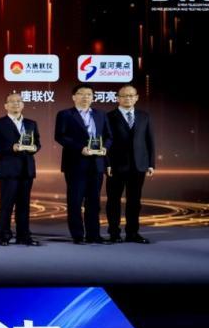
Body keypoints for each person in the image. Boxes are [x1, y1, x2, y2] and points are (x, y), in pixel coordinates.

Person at [54, 82, 113, 244]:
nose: (85, 97)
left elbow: (109, 136)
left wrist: (105, 148)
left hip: (97, 163)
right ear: (74, 97)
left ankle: (94, 235)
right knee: (75, 201)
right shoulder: (65, 114)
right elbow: (60, 136)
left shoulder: (101, 114)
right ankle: (78, 235)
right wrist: (80, 148)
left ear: (93, 97)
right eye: (81, 94)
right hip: (75, 163)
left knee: (94, 201)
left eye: (89, 94)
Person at [0, 92, 41, 246]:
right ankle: (4, 235)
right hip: (8, 169)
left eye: (19, 101)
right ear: (6, 105)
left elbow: (37, 142)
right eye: (12, 101)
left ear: (23, 104)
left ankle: (24, 236)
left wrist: (35, 148)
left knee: (24, 205)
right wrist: (11, 147)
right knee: (6, 204)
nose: (16, 104)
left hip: (27, 169)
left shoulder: (31, 123)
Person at [105, 84, 155, 244]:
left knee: (134, 201)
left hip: (138, 165)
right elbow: (105, 142)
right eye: (124, 96)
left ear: (137, 97)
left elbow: (149, 141)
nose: (128, 98)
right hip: (116, 166)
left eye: (131, 95)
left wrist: (151, 164)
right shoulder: (109, 116)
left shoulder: (144, 116)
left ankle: (133, 233)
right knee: (113, 201)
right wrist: (107, 163)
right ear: (118, 98)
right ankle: (114, 233)